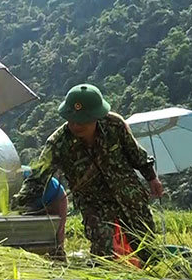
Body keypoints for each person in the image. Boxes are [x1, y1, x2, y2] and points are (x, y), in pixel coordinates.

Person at [13, 84, 163, 260]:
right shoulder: (58, 143)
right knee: (104, 251)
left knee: (148, 248)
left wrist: (152, 179)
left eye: (82, 121)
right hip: (94, 203)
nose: (76, 125)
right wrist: (17, 204)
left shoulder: (114, 125)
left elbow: (136, 154)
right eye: (72, 120)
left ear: (97, 117)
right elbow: (38, 178)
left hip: (129, 196)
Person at [19, 165, 68, 256]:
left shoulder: (27, 174)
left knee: (58, 230)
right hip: (40, 202)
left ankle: (58, 256)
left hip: (56, 197)